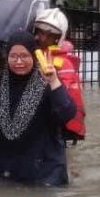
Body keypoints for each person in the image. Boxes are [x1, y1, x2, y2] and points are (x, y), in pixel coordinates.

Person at [0, 30, 76, 186]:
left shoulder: (45, 80)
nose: (19, 61)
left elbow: (67, 113)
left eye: (24, 56)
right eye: (13, 56)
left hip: (45, 173)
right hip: (10, 172)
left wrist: (53, 81)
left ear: (34, 56)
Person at [33, 8, 86, 142]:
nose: (41, 37)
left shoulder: (64, 63)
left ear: (58, 38)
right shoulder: (35, 55)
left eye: (48, 35)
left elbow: (60, 98)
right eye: (39, 32)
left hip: (60, 126)